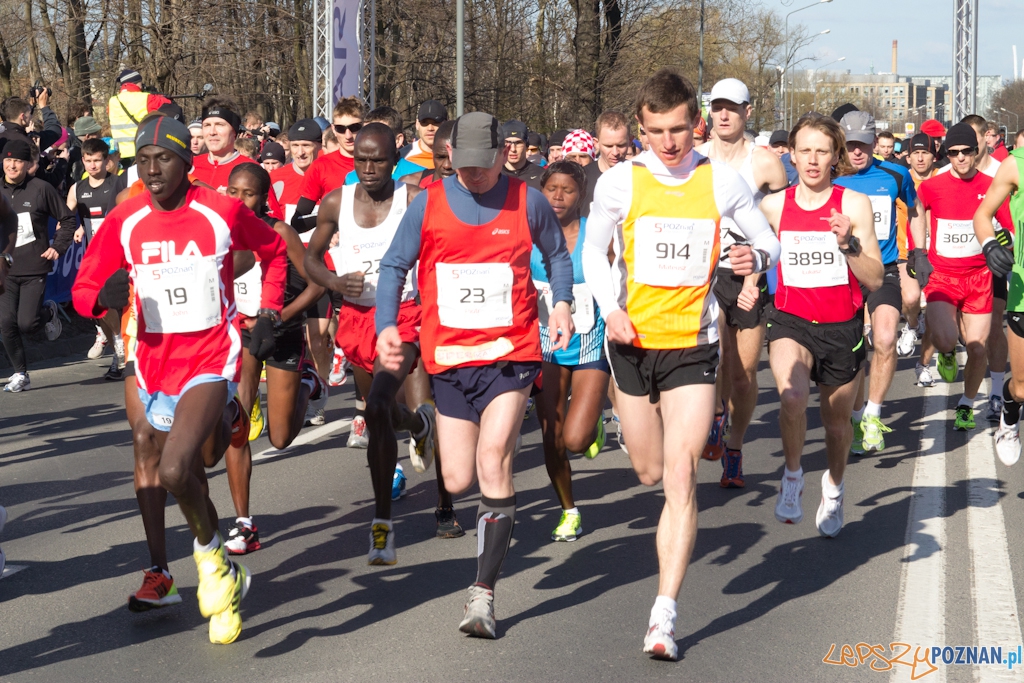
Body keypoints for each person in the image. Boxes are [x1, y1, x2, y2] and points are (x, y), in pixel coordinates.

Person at [582, 68, 780, 660]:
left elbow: (769, 240)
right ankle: (647, 440)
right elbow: (593, 250)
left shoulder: (720, 182)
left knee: (680, 472)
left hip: (693, 347)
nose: (668, 144)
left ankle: (663, 613)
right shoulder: (620, 183)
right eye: (655, 132)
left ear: (695, 123)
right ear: (640, 129)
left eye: (677, 130)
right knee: (647, 471)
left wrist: (753, 255)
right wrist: (609, 307)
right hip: (632, 342)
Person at [72, 115, 288, 644]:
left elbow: (276, 250)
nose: (152, 170)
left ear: (186, 164)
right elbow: (83, 290)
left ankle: (213, 565)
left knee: (171, 469)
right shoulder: (125, 219)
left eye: (163, 159)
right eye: (143, 161)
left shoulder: (221, 210)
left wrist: (269, 311)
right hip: (153, 365)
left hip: (211, 357)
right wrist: (105, 297)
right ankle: (224, 569)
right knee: (192, 473)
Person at [375, 111, 575, 638]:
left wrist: (562, 305)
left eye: (480, 166)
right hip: (450, 359)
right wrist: (386, 324)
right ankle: (424, 425)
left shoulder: (527, 200)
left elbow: (556, 255)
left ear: (499, 154)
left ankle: (483, 595)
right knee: (458, 479)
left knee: (493, 462)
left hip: (510, 355)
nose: (472, 175)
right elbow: (395, 265)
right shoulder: (429, 203)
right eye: (461, 166)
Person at [306, 123, 462, 562]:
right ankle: (417, 427)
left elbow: (445, 249)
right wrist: (335, 281)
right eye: (362, 160)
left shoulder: (414, 199)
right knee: (382, 415)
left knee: (382, 403)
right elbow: (309, 258)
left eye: (378, 160)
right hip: (357, 319)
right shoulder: (337, 201)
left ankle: (396, 520)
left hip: (407, 315)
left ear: (395, 161)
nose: (369, 168)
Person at [761, 113, 882, 539]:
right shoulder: (774, 205)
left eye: (822, 151)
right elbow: (752, 252)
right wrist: (745, 280)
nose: (813, 160)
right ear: (791, 154)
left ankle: (834, 486)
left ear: (836, 157)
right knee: (792, 396)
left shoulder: (853, 205)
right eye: (805, 150)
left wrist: (848, 244)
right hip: (791, 321)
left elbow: (875, 278)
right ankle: (792, 476)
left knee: (836, 425)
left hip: (841, 327)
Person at [222, 163, 327, 555]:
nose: (239, 200)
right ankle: (244, 523)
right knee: (238, 422)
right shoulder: (220, 231)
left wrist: (278, 316)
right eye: (233, 192)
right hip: (241, 334)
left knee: (280, 438)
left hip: (280, 333)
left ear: (264, 197)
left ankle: (307, 383)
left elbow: (317, 284)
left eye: (247, 193)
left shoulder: (280, 232)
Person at [695, 78, 789, 487]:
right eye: (717, 107)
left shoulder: (764, 162)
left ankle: (734, 446)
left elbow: (781, 224)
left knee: (745, 372)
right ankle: (715, 412)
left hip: (750, 274)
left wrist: (757, 275)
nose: (724, 114)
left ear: (748, 112)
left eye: (732, 107)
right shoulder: (695, 158)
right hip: (705, 273)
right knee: (714, 354)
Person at [909, 123, 1013, 430]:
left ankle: (966, 404)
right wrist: (919, 252)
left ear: (976, 150)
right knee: (946, 339)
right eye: (953, 153)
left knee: (978, 346)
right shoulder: (932, 185)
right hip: (942, 276)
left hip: (979, 276)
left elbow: (1009, 226)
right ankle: (944, 351)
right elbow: (916, 215)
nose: (961, 158)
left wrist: (1005, 240)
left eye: (967, 151)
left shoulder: (993, 184)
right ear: (947, 155)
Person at [532, 160, 609, 541]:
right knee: (551, 434)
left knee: (577, 440)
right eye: (552, 189)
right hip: (546, 345)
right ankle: (569, 510)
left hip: (590, 342)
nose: (559, 197)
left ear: (582, 196)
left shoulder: (596, 237)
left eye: (568, 190)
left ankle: (593, 420)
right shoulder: (528, 236)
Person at [834, 110, 919, 455]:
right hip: (840, 275)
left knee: (885, 338)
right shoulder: (829, 178)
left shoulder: (895, 174)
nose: (857, 152)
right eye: (851, 144)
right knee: (853, 354)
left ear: (874, 143)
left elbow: (915, 210)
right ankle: (855, 416)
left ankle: (872, 414)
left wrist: (918, 253)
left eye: (864, 144)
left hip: (881, 270)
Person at [291, 97, 367, 407]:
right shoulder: (322, 166)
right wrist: (329, 222)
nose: (348, 135)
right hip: (329, 258)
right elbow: (298, 219)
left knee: (359, 330)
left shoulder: (376, 160)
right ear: (332, 130)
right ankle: (319, 399)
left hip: (366, 258)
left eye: (355, 128)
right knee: (318, 335)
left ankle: (364, 406)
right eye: (341, 129)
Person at [1, 140, 75, 392]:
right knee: (5, 323)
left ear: (27, 164)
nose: (12, 165)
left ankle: (48, 312)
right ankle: (20, 373)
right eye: (8, 160)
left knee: (27, 324)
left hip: (34, 267)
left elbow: (67, 219)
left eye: (18, 161)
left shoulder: (40, 189)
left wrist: (59, 247)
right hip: (5, 270)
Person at [975, 144, 1024, 464]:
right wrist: (990, 243)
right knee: (1021, 389)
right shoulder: (1015, 164)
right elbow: (982, 214)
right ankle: (1009, 415)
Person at [68, 137, 125, 379]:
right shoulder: (77, 189)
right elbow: (66, 215)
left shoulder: (117, 185)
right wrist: (77, 227)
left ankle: (118, 344)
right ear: (82, 160)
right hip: (95, 255)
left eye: (97, 161)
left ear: (107, 161)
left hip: (119, 252)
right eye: (88, 161)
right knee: (95, 302)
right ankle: (116, 345)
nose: (93, 166)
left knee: (116, 305)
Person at [902, 133, 938, 386]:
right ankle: (912, 325)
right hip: (906, 251)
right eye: (915, 153)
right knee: (911, 298)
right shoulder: (901, 179)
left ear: (933, 156)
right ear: (908, 156)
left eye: (924, 152)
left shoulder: (943, 179)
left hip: (937, 253)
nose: (920, 157)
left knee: (937, 313)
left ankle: (924, 365)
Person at [191, 98, 258, 193]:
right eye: (207, 125)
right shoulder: (188, 165)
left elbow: (271, 207)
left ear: (234, 131)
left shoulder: (252, 170)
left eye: (220, 125)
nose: (212, 132)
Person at [343, 107, 425, 184]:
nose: (370, 141)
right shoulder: (352, 179)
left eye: (378, 135)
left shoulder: (420, 177)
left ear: (398, 140)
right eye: (366, 134)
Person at [106, 68, 172, 162]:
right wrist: (157, 95)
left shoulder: (112, 101)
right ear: (136, 83)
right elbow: (168, 104)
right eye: (141, 83)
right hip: (140, 151)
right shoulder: (146, 98)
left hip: (118, 154)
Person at [271, 119, 322, 225]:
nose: (300, 153)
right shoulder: (275, 178)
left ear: (319, 146)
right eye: (295, 146)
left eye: (306, 145)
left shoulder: (329, 176)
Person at [403, 100, 447, 169]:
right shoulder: (403, 156)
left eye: (435, 122)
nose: (430, 128)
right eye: (424, 123)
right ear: (417, 124)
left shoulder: (456, 156)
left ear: (445, 124)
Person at [501, 120, 544, 189]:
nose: (513, 149)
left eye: (518, 143)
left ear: (526, 145)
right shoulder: (493, 176)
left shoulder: (541, 175)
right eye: (508, 143)